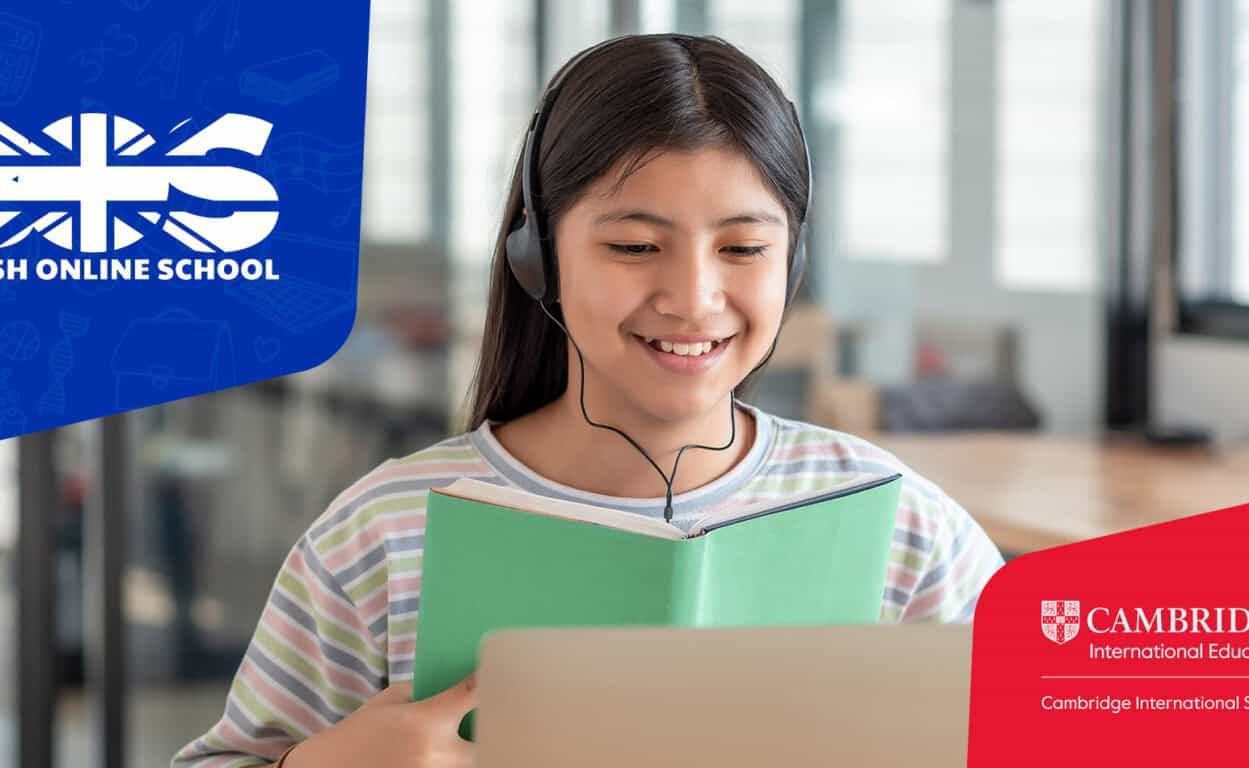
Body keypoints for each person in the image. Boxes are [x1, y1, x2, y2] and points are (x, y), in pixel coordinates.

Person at [173, 33, 1003, 768]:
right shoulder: (386, 533)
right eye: (635, 245)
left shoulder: (903, 529)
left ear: (791, 261)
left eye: (744, 246)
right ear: (540, 256)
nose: (692, 297)